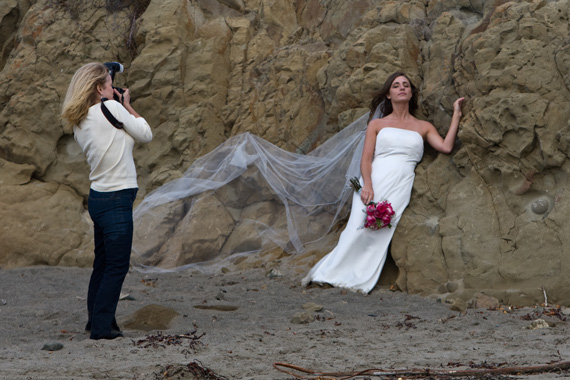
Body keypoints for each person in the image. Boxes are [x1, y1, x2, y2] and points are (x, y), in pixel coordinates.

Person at [302, 71, 464, 294]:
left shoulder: (423, 126)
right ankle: (329, 274)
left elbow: (445, 147)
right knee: (355, 229)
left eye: (406, 85)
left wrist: (456, 114)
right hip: (373, 180)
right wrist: (366, 185)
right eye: (396, 85)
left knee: (380, 230)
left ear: (411, 93)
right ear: (388, 94)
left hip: (400, 183)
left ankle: (358, 278)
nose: (401, 88)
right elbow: (366, 158)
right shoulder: (377, 124)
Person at [61, 62, 153, 339]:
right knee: (116, 265)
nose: (114, 89)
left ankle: (97, 321)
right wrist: (126, 104)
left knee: (102, 264)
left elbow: (121, 137)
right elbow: (145, 134)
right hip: (116, 199)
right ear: (100, 88)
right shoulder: (112, 109)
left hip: (99, 198)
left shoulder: (79, 122)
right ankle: (101, 328)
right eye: (109, 85)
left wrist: (115, 99)